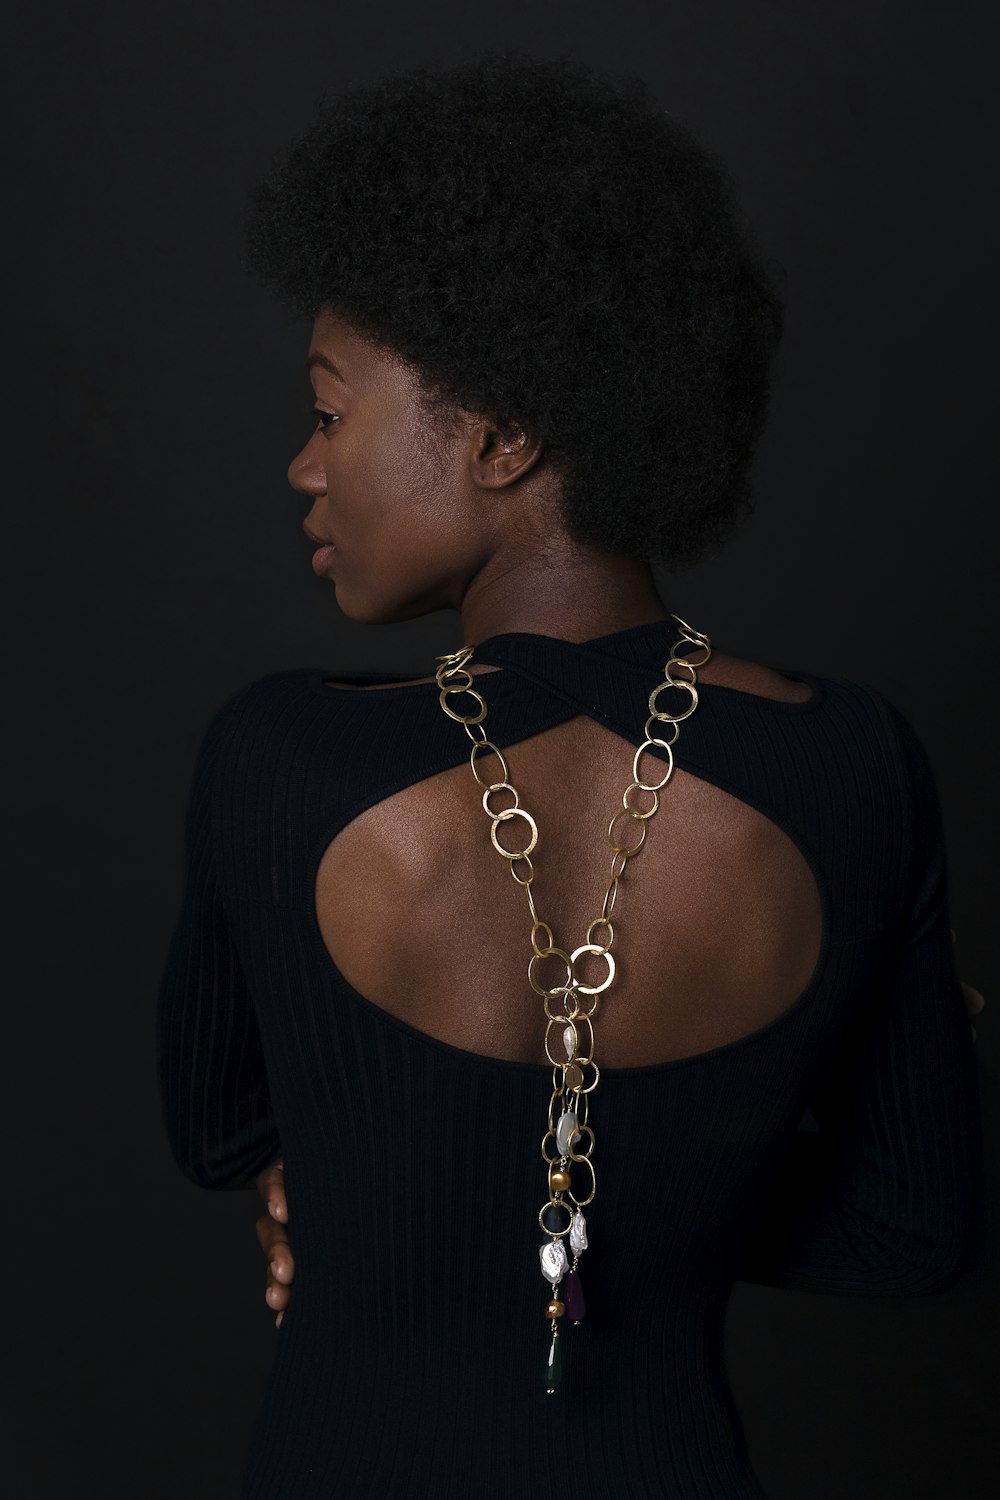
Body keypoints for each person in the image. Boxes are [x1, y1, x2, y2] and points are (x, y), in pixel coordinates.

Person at [156, 52, 986, 1498]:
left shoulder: (279, 754)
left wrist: (382, 1195)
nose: (302, 465)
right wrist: (686, 1186)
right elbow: (912, 1232)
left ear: (502, 437)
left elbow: (219, 1126)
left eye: (332, 411)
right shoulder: (854, 762)